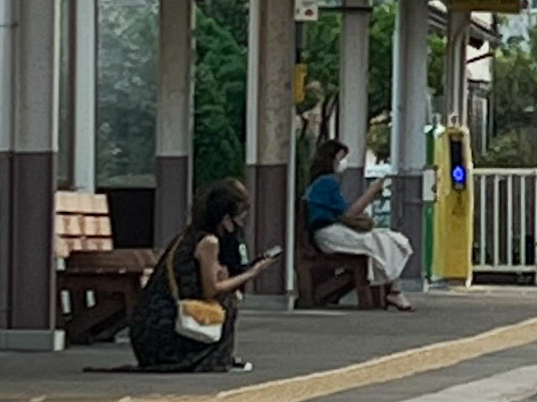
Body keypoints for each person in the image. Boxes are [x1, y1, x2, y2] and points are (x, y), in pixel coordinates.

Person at [129, 179, 278, 371]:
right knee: (229, 301)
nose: (241, 222)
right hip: (167, 332)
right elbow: (211, 290)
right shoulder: (209, 243)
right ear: (225, 218)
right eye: (240, 215)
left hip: (150, 330)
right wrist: (253, 272)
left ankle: (215, 357)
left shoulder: (187, 237)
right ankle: (213, 358)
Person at [303, 136, 413, 308]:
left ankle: (393, 289)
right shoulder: (327, 182)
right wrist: (372, 191)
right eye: (341, 158)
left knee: (383, 240)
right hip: (330, 234)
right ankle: (394, 290)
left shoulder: (320, 182)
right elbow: (350, 213)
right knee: (382, 241)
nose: (344, 162)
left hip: (329, 233)